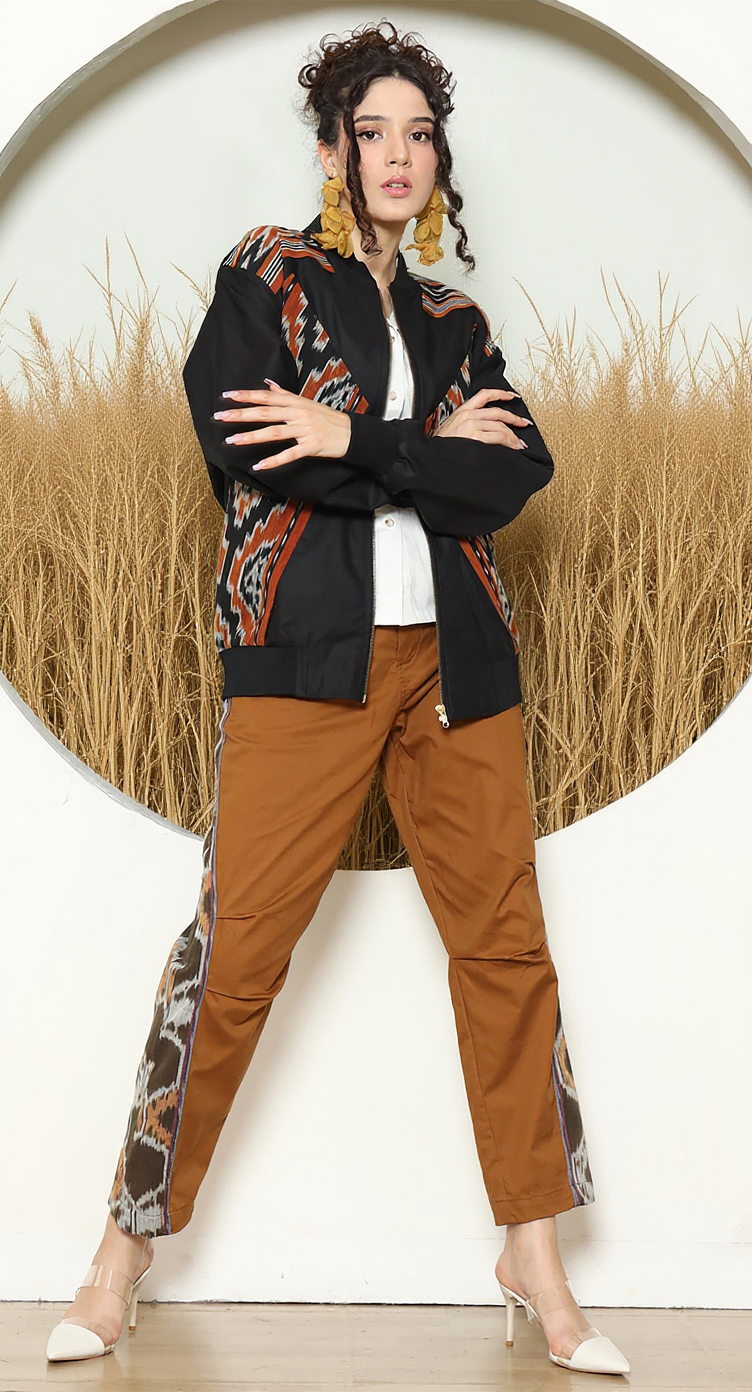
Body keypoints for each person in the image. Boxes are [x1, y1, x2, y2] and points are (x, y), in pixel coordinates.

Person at [46, 21, 629, 1377]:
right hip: (307, 660)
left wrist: (358, 438)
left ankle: (534, 1257)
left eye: (421, 134)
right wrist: (424, 454)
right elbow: (250, 443)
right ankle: (120, 1257)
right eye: (374, 132)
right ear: (331, 149)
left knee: (506, 954)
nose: (400, 156)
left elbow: (511, 476)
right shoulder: (267, 275)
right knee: (236, 953)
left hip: (460, 671)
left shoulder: (456, 321)